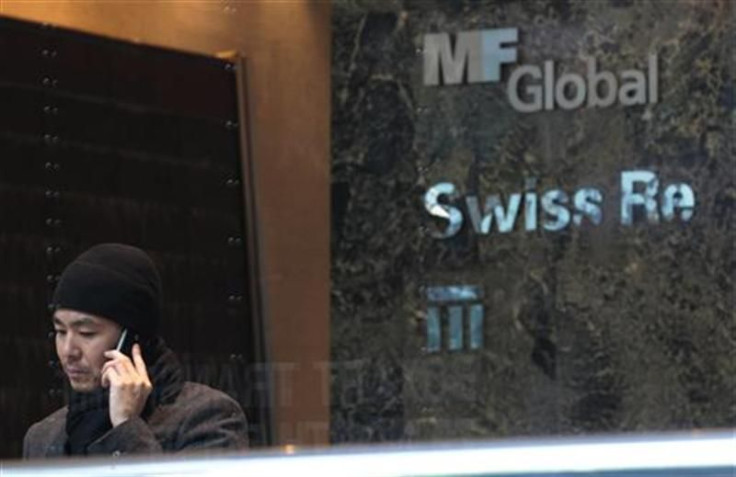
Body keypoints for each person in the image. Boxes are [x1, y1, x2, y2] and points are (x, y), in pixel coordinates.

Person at [23, 243, 249, 457]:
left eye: (86, 333)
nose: (68, 351)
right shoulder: (44, 436)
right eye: (60, 332)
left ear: (131, 339)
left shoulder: (206, 417)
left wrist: (126, 425)